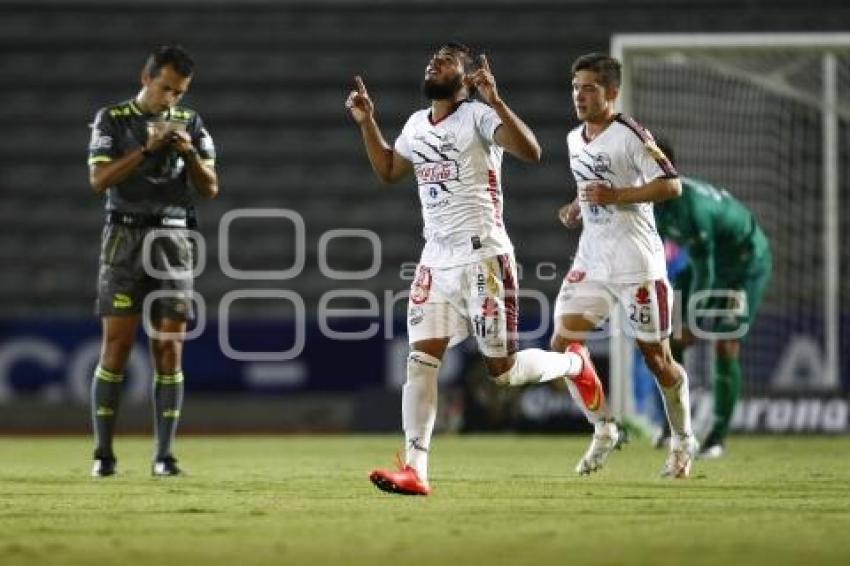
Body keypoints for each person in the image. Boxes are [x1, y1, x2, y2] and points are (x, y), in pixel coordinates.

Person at [346, 42, 594, 495]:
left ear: (464, 77)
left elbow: (532, 151)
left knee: (502, 370)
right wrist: (368, 124)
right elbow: (387, 169)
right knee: (420, 360)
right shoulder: (416, 125)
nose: (432, 63)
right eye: (431, 58)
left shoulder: (478, 115)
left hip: (484, 256)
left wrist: (496, 100)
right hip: (435, 260)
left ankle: (572, 362)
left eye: (444, 60)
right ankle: (416, 470)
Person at [552, 53, 698, 478]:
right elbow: (591, 187)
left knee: (656, 358)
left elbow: (672, 184)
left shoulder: (632, 134)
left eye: (590, 87)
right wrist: (577, 205)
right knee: (563, 346)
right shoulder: (573, 139)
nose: (580, 95)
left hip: (637, 263)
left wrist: (616, 197)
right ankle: (604, 427)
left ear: (612, 92)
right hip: (592, 259)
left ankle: (683, 440)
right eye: (575, 86)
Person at [86, 45, 218, 477]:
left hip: (173, 240)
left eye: (179, 92)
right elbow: (99, 180)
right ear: (146, 79)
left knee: (169, 349)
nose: (171, 100)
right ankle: (103, 455)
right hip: (123, 237)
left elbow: (210, 187)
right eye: (166, 89)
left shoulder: (191, 123)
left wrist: (188, 153)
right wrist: (147, 150)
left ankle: (164, 456)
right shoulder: (113, 119)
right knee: (117, 348)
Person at [652, 140, 772, 458]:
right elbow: (657, 256)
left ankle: (716, 438)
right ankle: (675, 426)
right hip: (703, 265)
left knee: (725, 342)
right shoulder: (652, 203)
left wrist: (694, 319)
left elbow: (706, 272)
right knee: (670, 336)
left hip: (743, 266)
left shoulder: (692, 207)